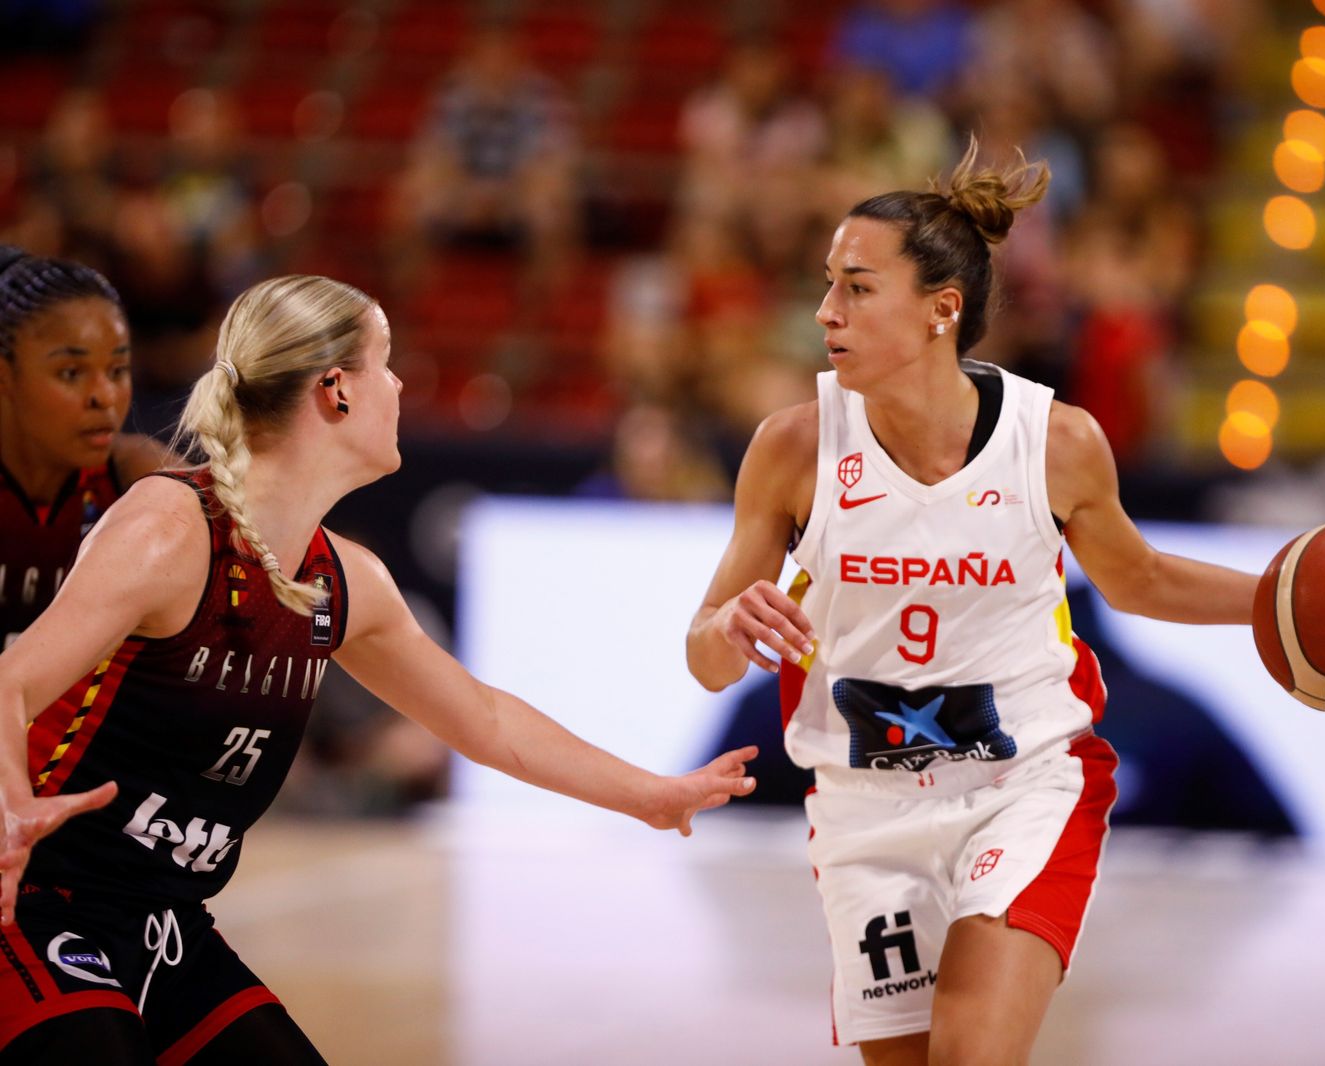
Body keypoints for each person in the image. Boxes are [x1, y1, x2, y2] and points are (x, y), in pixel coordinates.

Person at [0, 274, 757, 1062]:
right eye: (386, 362)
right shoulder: (171, 530)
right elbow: (9, 682)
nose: (399, 385)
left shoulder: (344, 582)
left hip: (164, 927)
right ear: (336, 391)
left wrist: (651, 795)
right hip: (38, 906)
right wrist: (9, 803)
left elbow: (485, 721)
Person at [686, 141, 1256, 1065]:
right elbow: (704, 658)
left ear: (942, 310)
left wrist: (1273, 603)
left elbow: (1139, 579)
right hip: (868, 811)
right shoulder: (792, 449)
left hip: (1023, 785)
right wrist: (729, 626)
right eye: (829, 283)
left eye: (858, 288)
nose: (826, 311)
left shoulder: (1056, 442)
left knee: (971, 1055)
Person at [0, 245, 166, 649]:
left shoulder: (141, 479)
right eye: (71, 372)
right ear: (5, 375)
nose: (104, 397)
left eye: (117, 370)